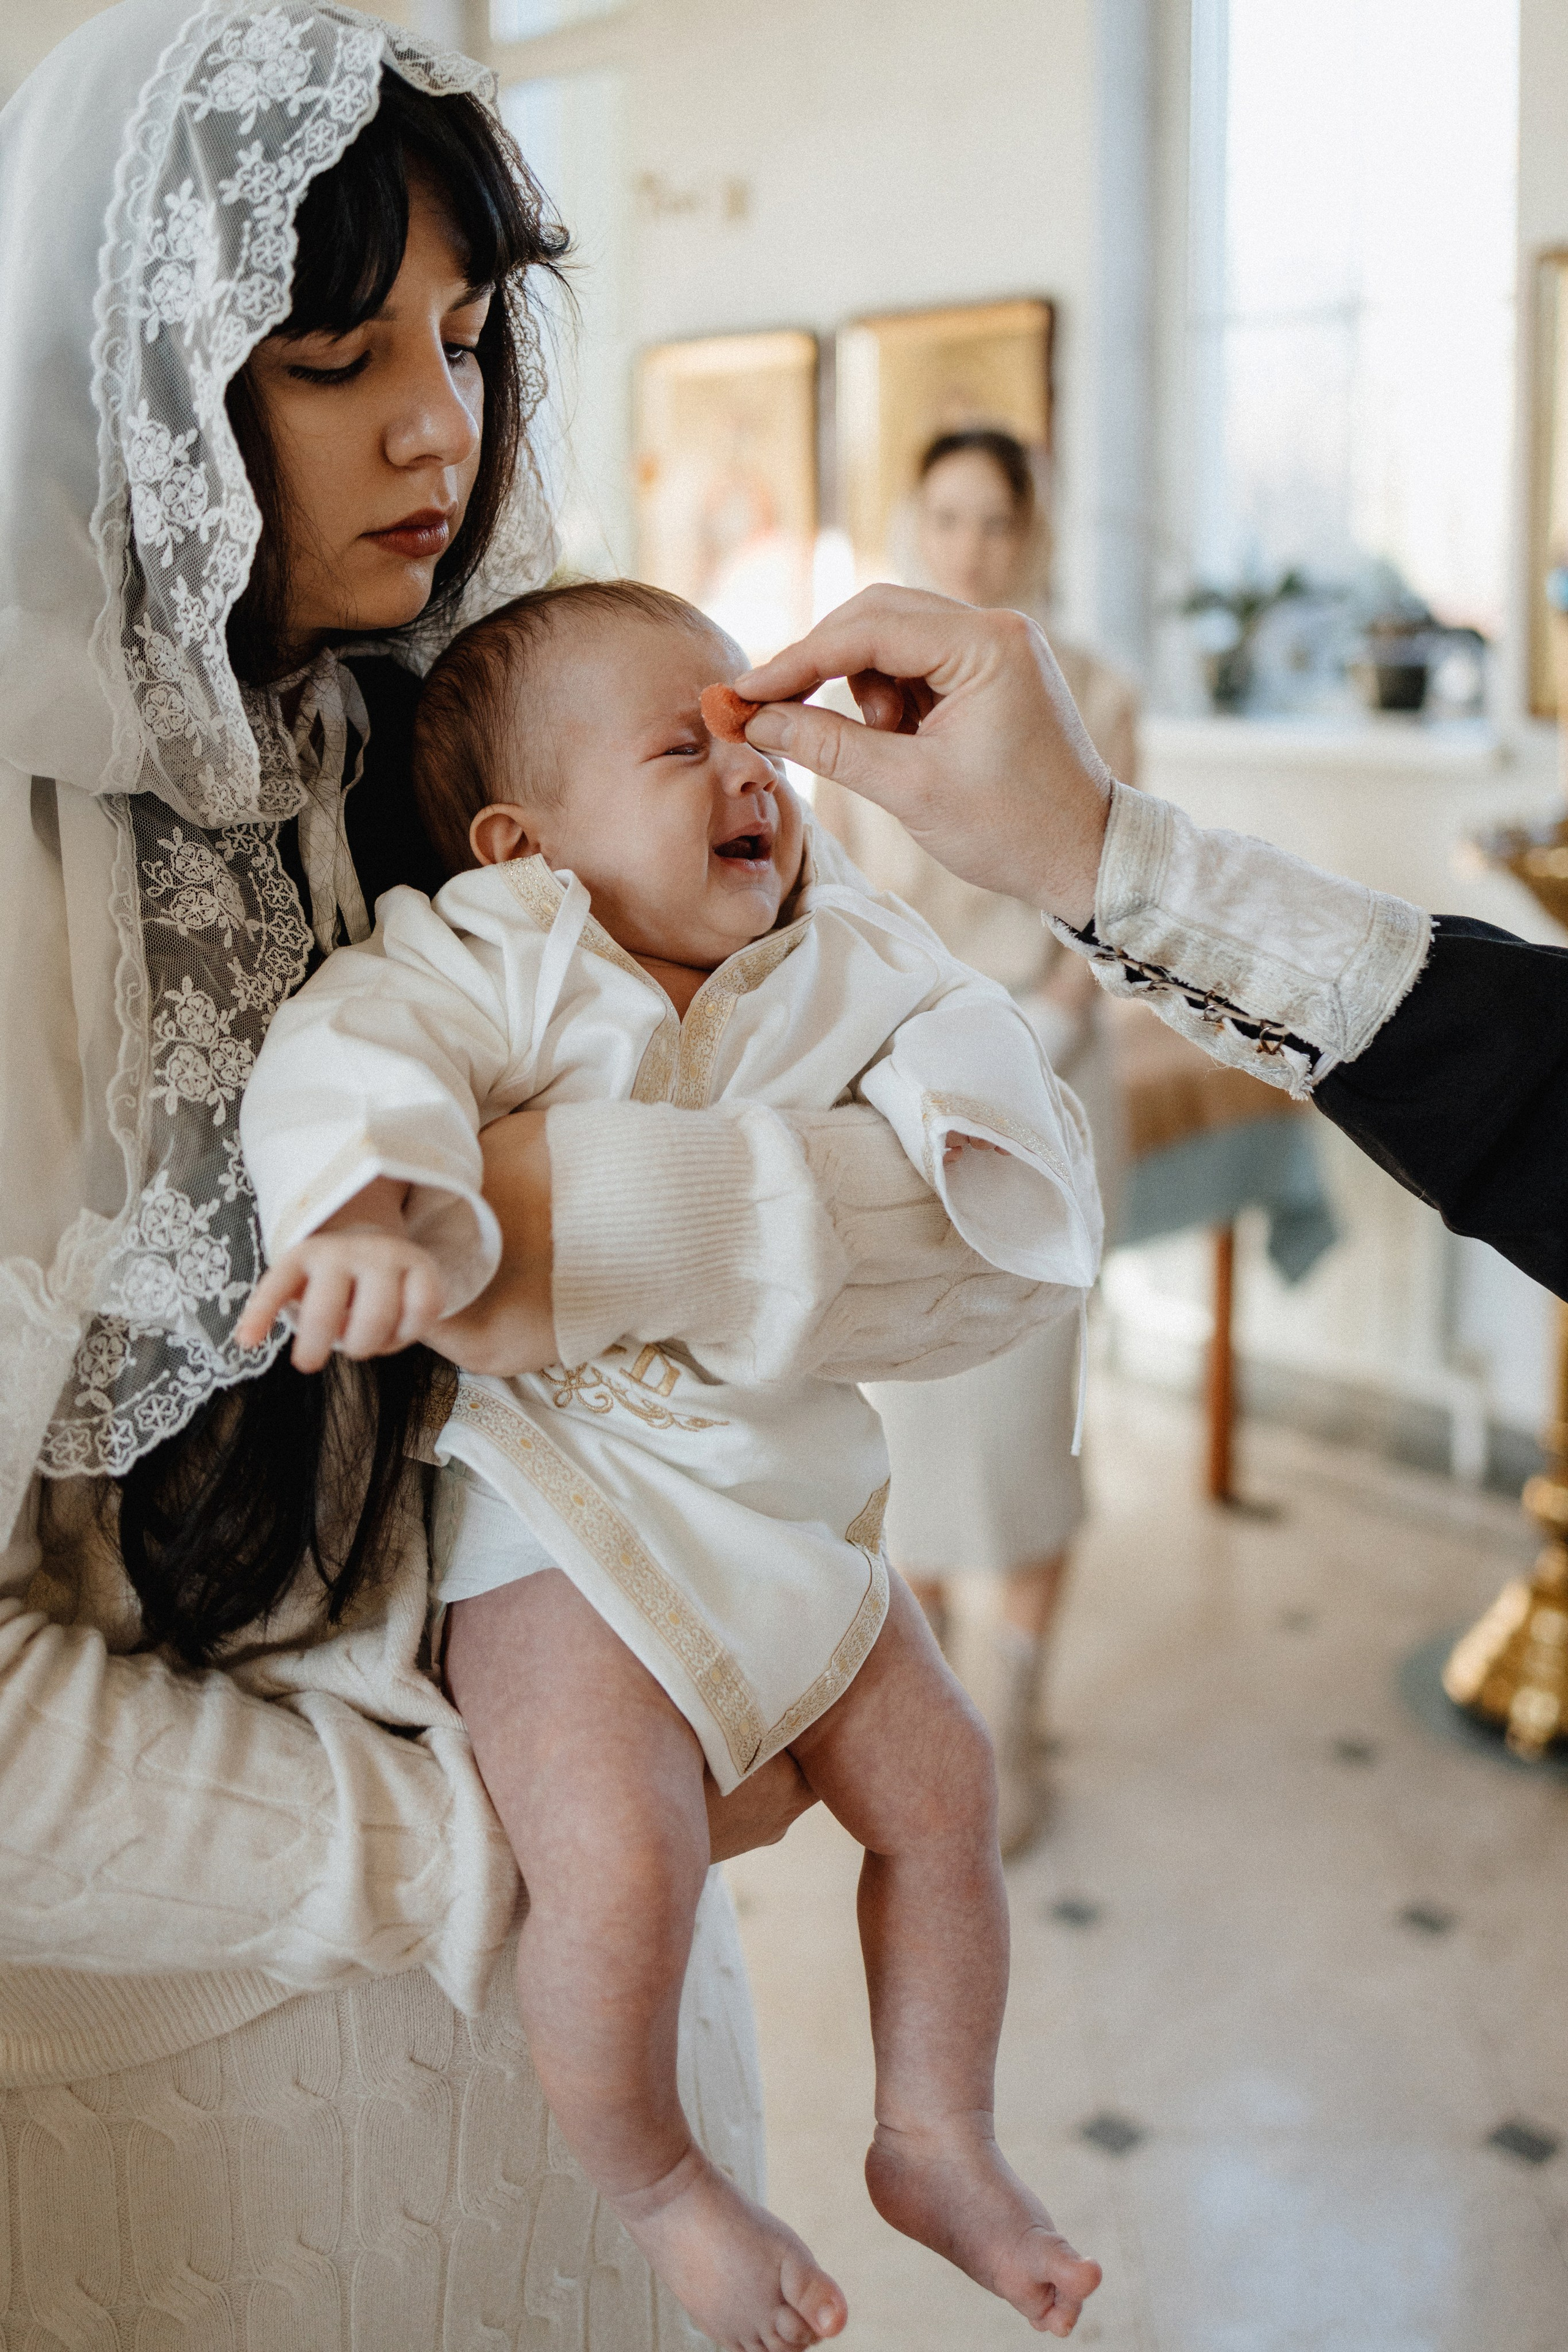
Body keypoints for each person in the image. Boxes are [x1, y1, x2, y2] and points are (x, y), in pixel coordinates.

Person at [0, 16, 1057, 2342]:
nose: (437, 426)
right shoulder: (24, 862)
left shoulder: (506, 724)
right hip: (214, 2092)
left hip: (594, 1993)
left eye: (470, 337)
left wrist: (571, 1224)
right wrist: (493, 1849)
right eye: (330, 353)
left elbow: (991, 1235)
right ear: (140, 377)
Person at [236, 578, 1105, 2351]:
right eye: (682, 745)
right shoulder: (499, 949)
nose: (753, 773)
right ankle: (658, 2178)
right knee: (619, 1866)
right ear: (524, 840)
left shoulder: (831, 951)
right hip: (560, 1519)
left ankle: (937, 2128)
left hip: (784, 1503)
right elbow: (352, 1049)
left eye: (758, 736)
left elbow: (969, 1037)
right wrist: (367, 1198)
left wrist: (971, 1114)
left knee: (943, 1789)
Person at [727, 584, 1568, 1306]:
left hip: (1046, 1016)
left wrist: (1085, 901)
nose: (745, 782)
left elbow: (1526, 1092)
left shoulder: (1085, 683)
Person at [813, 430, 1137, 1849]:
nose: (968, 550)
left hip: (1049, 1087)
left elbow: (1114, 899)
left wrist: (1049, 1029)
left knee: (1026, 1423)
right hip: (904, 1102)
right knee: (910, 1420)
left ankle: (1020, 1697)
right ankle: (931, 1701)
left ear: (1032, 536)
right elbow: (831, 910)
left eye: (995, 523)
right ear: (914, 525)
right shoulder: (862, 715)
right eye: (944, 519)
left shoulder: (1099, 695)